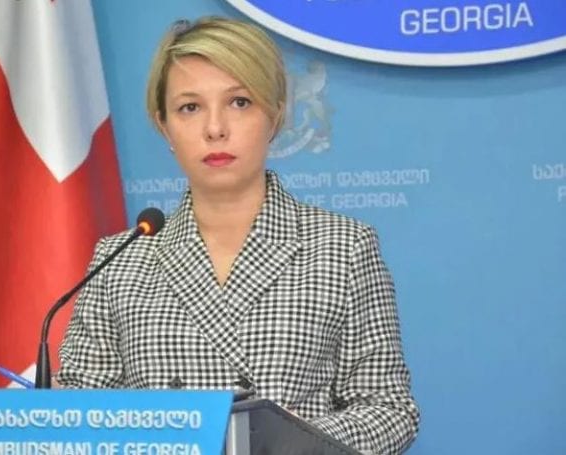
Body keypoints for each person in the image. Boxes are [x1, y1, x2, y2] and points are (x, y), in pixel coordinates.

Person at [57, 16, 420, 454]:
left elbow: (389, 410)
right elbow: (78, 414)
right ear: (164, 125)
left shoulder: (343, 248)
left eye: (239, 102)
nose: (215, 128)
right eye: (190, 108)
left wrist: (290, 439)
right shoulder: (120, 261)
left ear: (276, 114)